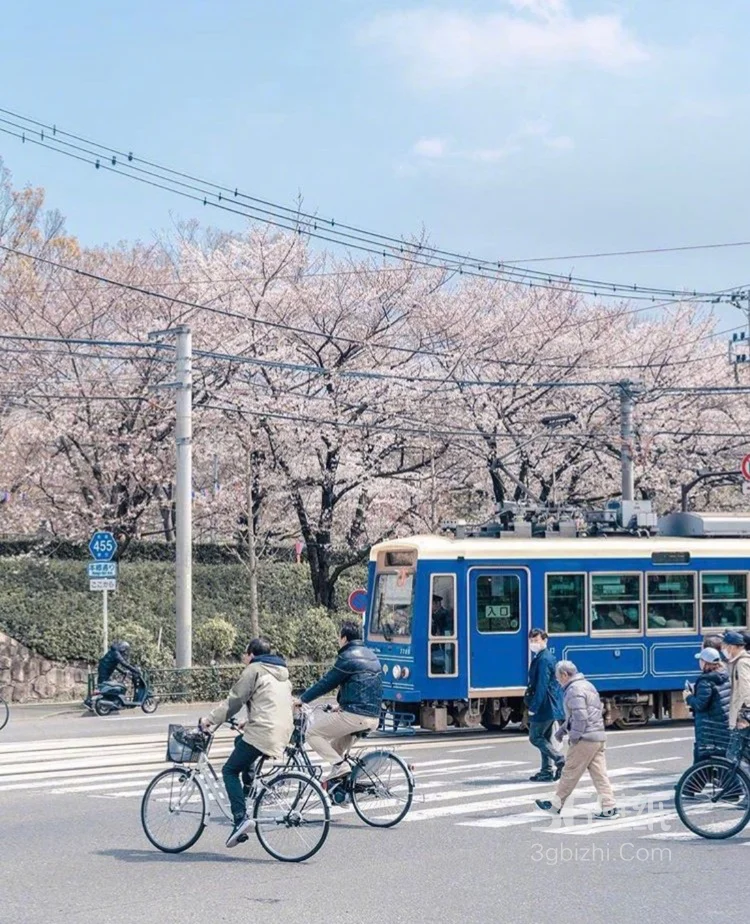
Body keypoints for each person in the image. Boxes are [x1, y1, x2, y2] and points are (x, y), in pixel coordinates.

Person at [200, 638, 293, 849]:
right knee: (240, 741)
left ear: (251, 654)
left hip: (264, 732)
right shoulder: (281, 673)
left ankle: (240, 818)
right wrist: (249, 721)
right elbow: (270, 704)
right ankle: (249, 786)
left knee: (229, 770)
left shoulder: (254, 669)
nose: (243, 657)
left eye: (244, 653)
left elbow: (235, 700)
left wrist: (210, 719)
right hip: (282, 731)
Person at [299, 621, 383, 789]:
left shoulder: (348, 657)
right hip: (374, 717)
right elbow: (361, 686)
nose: (338, 640)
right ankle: (341, 790)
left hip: (355, 716)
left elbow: (326, 683)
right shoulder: (371, 656)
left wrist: (302, 699)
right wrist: (342, 705)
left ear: (344, 638)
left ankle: (341, 767)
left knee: (312, 733)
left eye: (339, 637)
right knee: (335, 748)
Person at [535, 660, 619, 819]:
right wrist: (562, 730)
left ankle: (556, 805)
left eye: (558, 678)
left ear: (565, 675)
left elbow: (580, 717)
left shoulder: (574, 689)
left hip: (585, 738)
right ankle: (609, 807)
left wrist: (573, 737)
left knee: (569, 772)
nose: (558, 681)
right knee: (599, 774)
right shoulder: (588, 685)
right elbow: (586, 713)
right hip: (598, 736)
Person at [525, 629, 565, 782]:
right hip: (550, 704)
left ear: (545, 640)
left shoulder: (543, 659)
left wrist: (534, 707)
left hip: (545, 705)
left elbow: (542, 685)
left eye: (536, 640)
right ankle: (546, 771)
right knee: (545, 738)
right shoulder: (545, 657)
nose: (533, 643)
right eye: (531, 640)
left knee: (535, 737)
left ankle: (559, 759)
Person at [684, 648, 730, 764]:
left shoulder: (705, 681)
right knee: (720, 762)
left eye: (700, 660)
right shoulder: (724, 675)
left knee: (700, 762)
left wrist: (688, 697)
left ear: (704, 662)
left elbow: (700, 705)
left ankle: (690, 782)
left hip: (709, 729)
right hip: (722, 726)